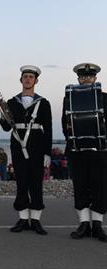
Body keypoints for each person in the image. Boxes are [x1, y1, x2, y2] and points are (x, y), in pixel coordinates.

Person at [0, 65, 52, 235]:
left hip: (37, 148)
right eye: (25, 76)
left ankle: (36, 220)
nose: (28, 79)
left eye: (31, 76)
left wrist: (47, 153)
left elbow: (49, 129)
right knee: (21, 183)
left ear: (36, 80)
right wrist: (3, 117)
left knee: (36, 184)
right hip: (18, 147)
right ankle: (23, 219)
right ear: (21, 80)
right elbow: (6, 128)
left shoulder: (43, 103)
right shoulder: (11, 102)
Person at [62, 63, 107, 242]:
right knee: (80, 186)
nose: (86, 79)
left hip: (101, 150)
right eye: (83, 76)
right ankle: (83, 224)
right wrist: (73, 140)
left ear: (95, 78)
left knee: (100, 187)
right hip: (77, 150)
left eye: (90, 76)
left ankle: (97, 225)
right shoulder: (69, 98)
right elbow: (66, 123)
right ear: (78, 79)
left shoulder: (104, 98)